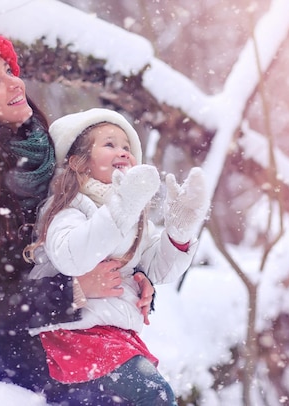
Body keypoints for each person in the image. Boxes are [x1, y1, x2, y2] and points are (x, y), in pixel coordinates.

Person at [0, 35, 155, 405]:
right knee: (137, 391)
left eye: (8, 70)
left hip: (55, 319)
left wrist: (133, 278)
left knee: (148, 388)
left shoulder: (45, 156)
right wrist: (74, 289)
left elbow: (89, 231)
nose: (15, 82)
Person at [23, 108, 210, 405]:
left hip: (114, 335)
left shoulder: (133, 219)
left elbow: (156, 270)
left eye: (126, 147)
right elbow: (73, 257)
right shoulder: (67, 208)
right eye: (110, 145)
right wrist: (120, 209)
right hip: (75, 335)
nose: (122, 152)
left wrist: (179, 232)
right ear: (77, 162)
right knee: (155, 396)